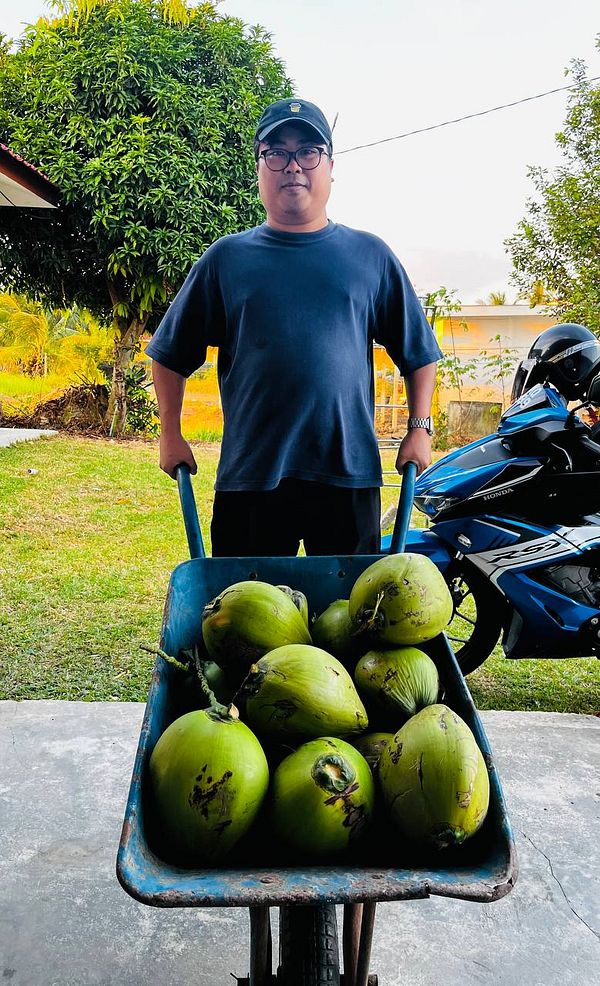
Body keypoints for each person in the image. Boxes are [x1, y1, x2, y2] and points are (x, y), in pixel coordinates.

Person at [146, 98, 442, 557]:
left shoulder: (370, 256)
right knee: (244, 618)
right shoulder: (226, 259)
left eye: (307, 151)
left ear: (329, 167)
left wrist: (419, 429)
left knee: (349, 619)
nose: (292, 166)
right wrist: (170, 432)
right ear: (259, 167)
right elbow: (169, 355)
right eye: (276, 152)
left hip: (348, 476)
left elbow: (418, 354)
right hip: (251, 479)